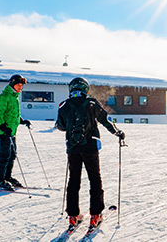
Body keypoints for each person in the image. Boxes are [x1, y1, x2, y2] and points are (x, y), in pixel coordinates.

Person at [55, 77, 125, 229]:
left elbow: (60, 126)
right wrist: (117, 132)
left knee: (74, 181)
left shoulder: (64, 105)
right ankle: (96, 215)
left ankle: (73, 216)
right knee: (94, 178)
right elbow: (105, 120)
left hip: (73, 148)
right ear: (85, 89)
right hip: (90, 146)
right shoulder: (92, 103)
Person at [0, 74, 31, 191]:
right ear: (12, 84)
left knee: (12, 155)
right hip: (2, 131)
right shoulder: (4, 97)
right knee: (4, 156)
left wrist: (21, 121)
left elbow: (12, 114)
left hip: (11, 131)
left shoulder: (14, 97)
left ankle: (7, 177)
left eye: (21, 86)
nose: (20, 88)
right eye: (18, 85)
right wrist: (3, 127)